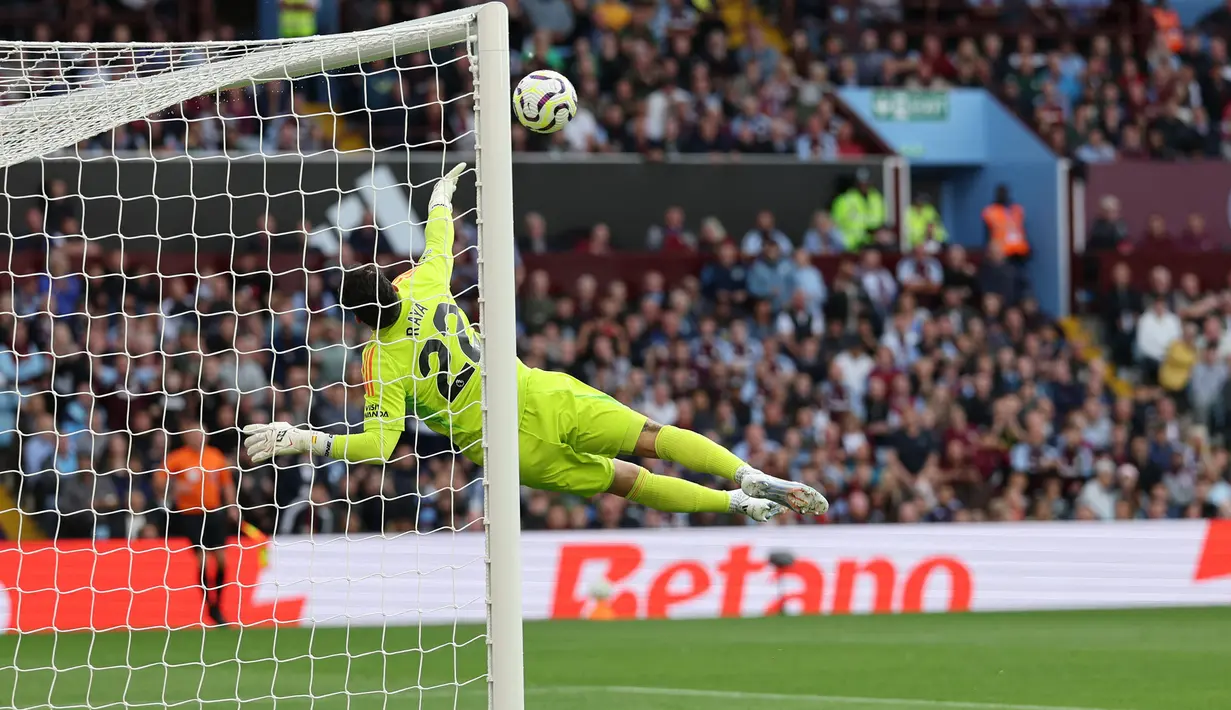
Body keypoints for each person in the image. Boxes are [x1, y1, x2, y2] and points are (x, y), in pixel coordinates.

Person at [243, 164, 827, 522]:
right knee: (651, 438)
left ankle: (736, 505)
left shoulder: (379, 361)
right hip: (535, 391)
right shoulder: (421, 281)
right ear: (388, 284)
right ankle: (744, 472)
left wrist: (305, 439)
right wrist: (441, 198)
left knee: (628, 482)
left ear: (359, 320)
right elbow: (440, 238)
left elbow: (377, 447)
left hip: (505, 445)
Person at [156, 427, 235, 626]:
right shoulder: (178, 457)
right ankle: (210, 606)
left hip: (214, 512)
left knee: (222, 560)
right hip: (191, 515)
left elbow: (226, 483)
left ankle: (218, 604)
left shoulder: (215, 456)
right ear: (186, 436)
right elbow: (158, 478)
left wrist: (232, 505)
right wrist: (173, 488)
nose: (198, 437)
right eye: (193, 434)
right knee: (203, 561)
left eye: (201, 433)